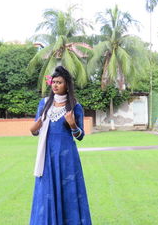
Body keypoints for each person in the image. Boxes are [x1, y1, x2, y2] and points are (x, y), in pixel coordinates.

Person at [29, 66, 92, 225]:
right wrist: (34, 128)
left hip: (67, 157)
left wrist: (72, 124)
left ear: (67, 85)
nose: (55, 85)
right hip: (47, 156)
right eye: (54, 82)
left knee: (68, 191)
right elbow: (35, 130)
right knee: (46, 191)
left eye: (59, 82)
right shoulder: (44, 104)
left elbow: (80, 136)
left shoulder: (75, 106)